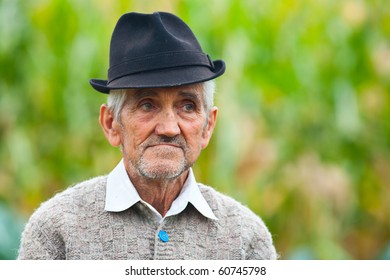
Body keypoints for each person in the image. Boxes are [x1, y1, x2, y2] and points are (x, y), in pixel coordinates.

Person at [18, 11, 277, 260]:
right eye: (147, 105)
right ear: (111, 124)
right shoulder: (55, 230)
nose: (169, 128)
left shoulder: (247, 237)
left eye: (187, 106)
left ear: (208, 126)